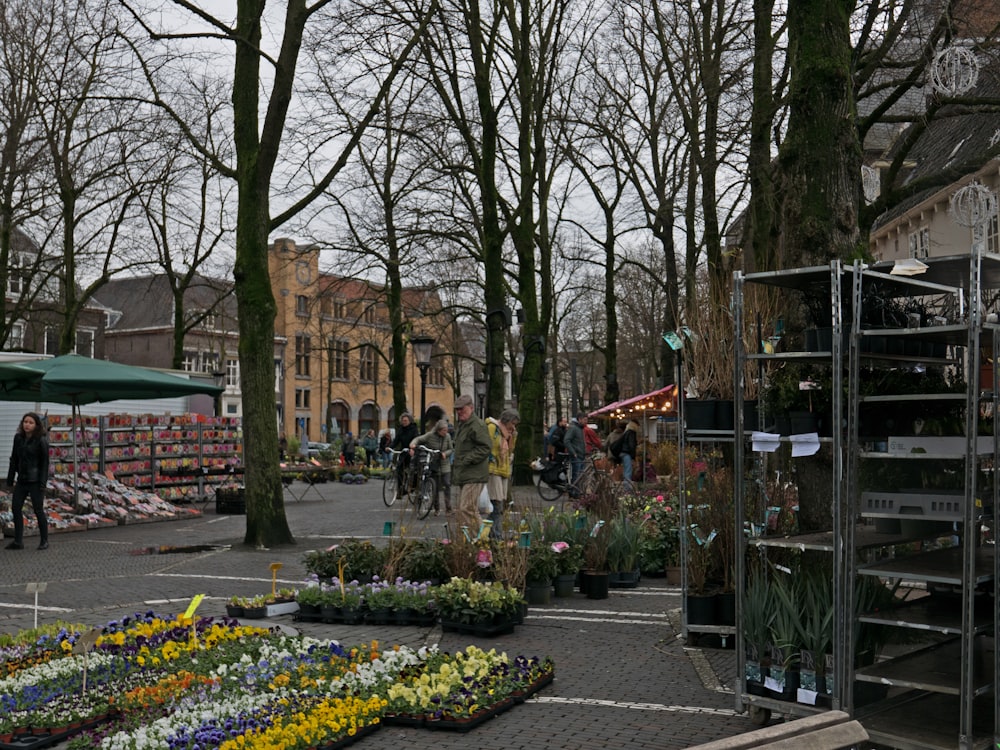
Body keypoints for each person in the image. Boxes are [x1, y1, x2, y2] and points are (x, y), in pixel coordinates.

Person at [6, 412, 50, 550]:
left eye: (31, 422)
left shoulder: (41, 440)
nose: (27, 425)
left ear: (36, 425)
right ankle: (18, 541)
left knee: (38, 510)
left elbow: (44, 463)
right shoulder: (18, 438)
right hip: (22, 480)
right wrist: (10, 479)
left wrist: (43, 482)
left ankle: (44, 540)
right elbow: (14, 459)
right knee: (15, 507)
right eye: (25, 422)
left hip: (35, 480)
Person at [451, 394, 491, 534]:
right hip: (466, 474)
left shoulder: (477, 425)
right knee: (465, 510)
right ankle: (469, 541)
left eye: (462, 409)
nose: (459, 412)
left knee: (467, 508)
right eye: (457, 410)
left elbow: (485, 447)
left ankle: (481, 540)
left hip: (474, 474)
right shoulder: (464, 426)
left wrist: (467, 459)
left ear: (471, 408)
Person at [486, 408, 519, 536]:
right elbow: (488, 446)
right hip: (494, 470)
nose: (514, 427)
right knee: (496, 504)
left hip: (503, 470)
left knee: (500, 505)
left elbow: (510, 450)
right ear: (507, 421)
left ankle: (493, 533)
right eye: (513, 423)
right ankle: (494, 534)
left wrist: (513, 437)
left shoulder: (508, 434)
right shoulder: (493, 428)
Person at [410, 419, 454, 515]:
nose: (446, 432)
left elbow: (451, 449)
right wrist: (413, 445)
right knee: (435, 487)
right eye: (444, 430)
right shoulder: (430, 435)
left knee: (447, 484)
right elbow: (419, 439)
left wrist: (445, 454)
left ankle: (448, 508)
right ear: (438, 430)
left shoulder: (447, 437)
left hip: (444, 464)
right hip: (434, 464)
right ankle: (436, 508)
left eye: (446, 430)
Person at [390, 412, 419, 497]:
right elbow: (396, 441)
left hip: (412, 451)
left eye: (406, 420)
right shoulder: (401, 430)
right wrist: (390, 447)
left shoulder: (413, 429)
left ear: (410, 421)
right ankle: (401, 490)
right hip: (404, 451)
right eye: (403, 421)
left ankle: (413, 486)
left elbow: (416, 438)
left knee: (413, 469)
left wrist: (413, 448)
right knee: (399, 469)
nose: (404, 422)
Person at [564, 412, 587, 488]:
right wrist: (573, 452)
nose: (586, 422)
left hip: (581, 455)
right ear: (579, 419)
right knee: (576, 475)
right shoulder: (574, 428)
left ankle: (577, 492)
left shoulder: (580, 429)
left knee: (579, 475)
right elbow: (566, 440)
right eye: (585, 420)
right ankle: (573, 492)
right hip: (577, 455)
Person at [619, 420, 640, 491]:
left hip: (623, 453)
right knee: (628, 471)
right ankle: (627, 489)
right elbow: (632, 446)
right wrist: (633, 457)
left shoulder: (626, 432)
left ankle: (626, 487)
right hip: (627, 453)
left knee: (626, 470)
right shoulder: (631, 433)